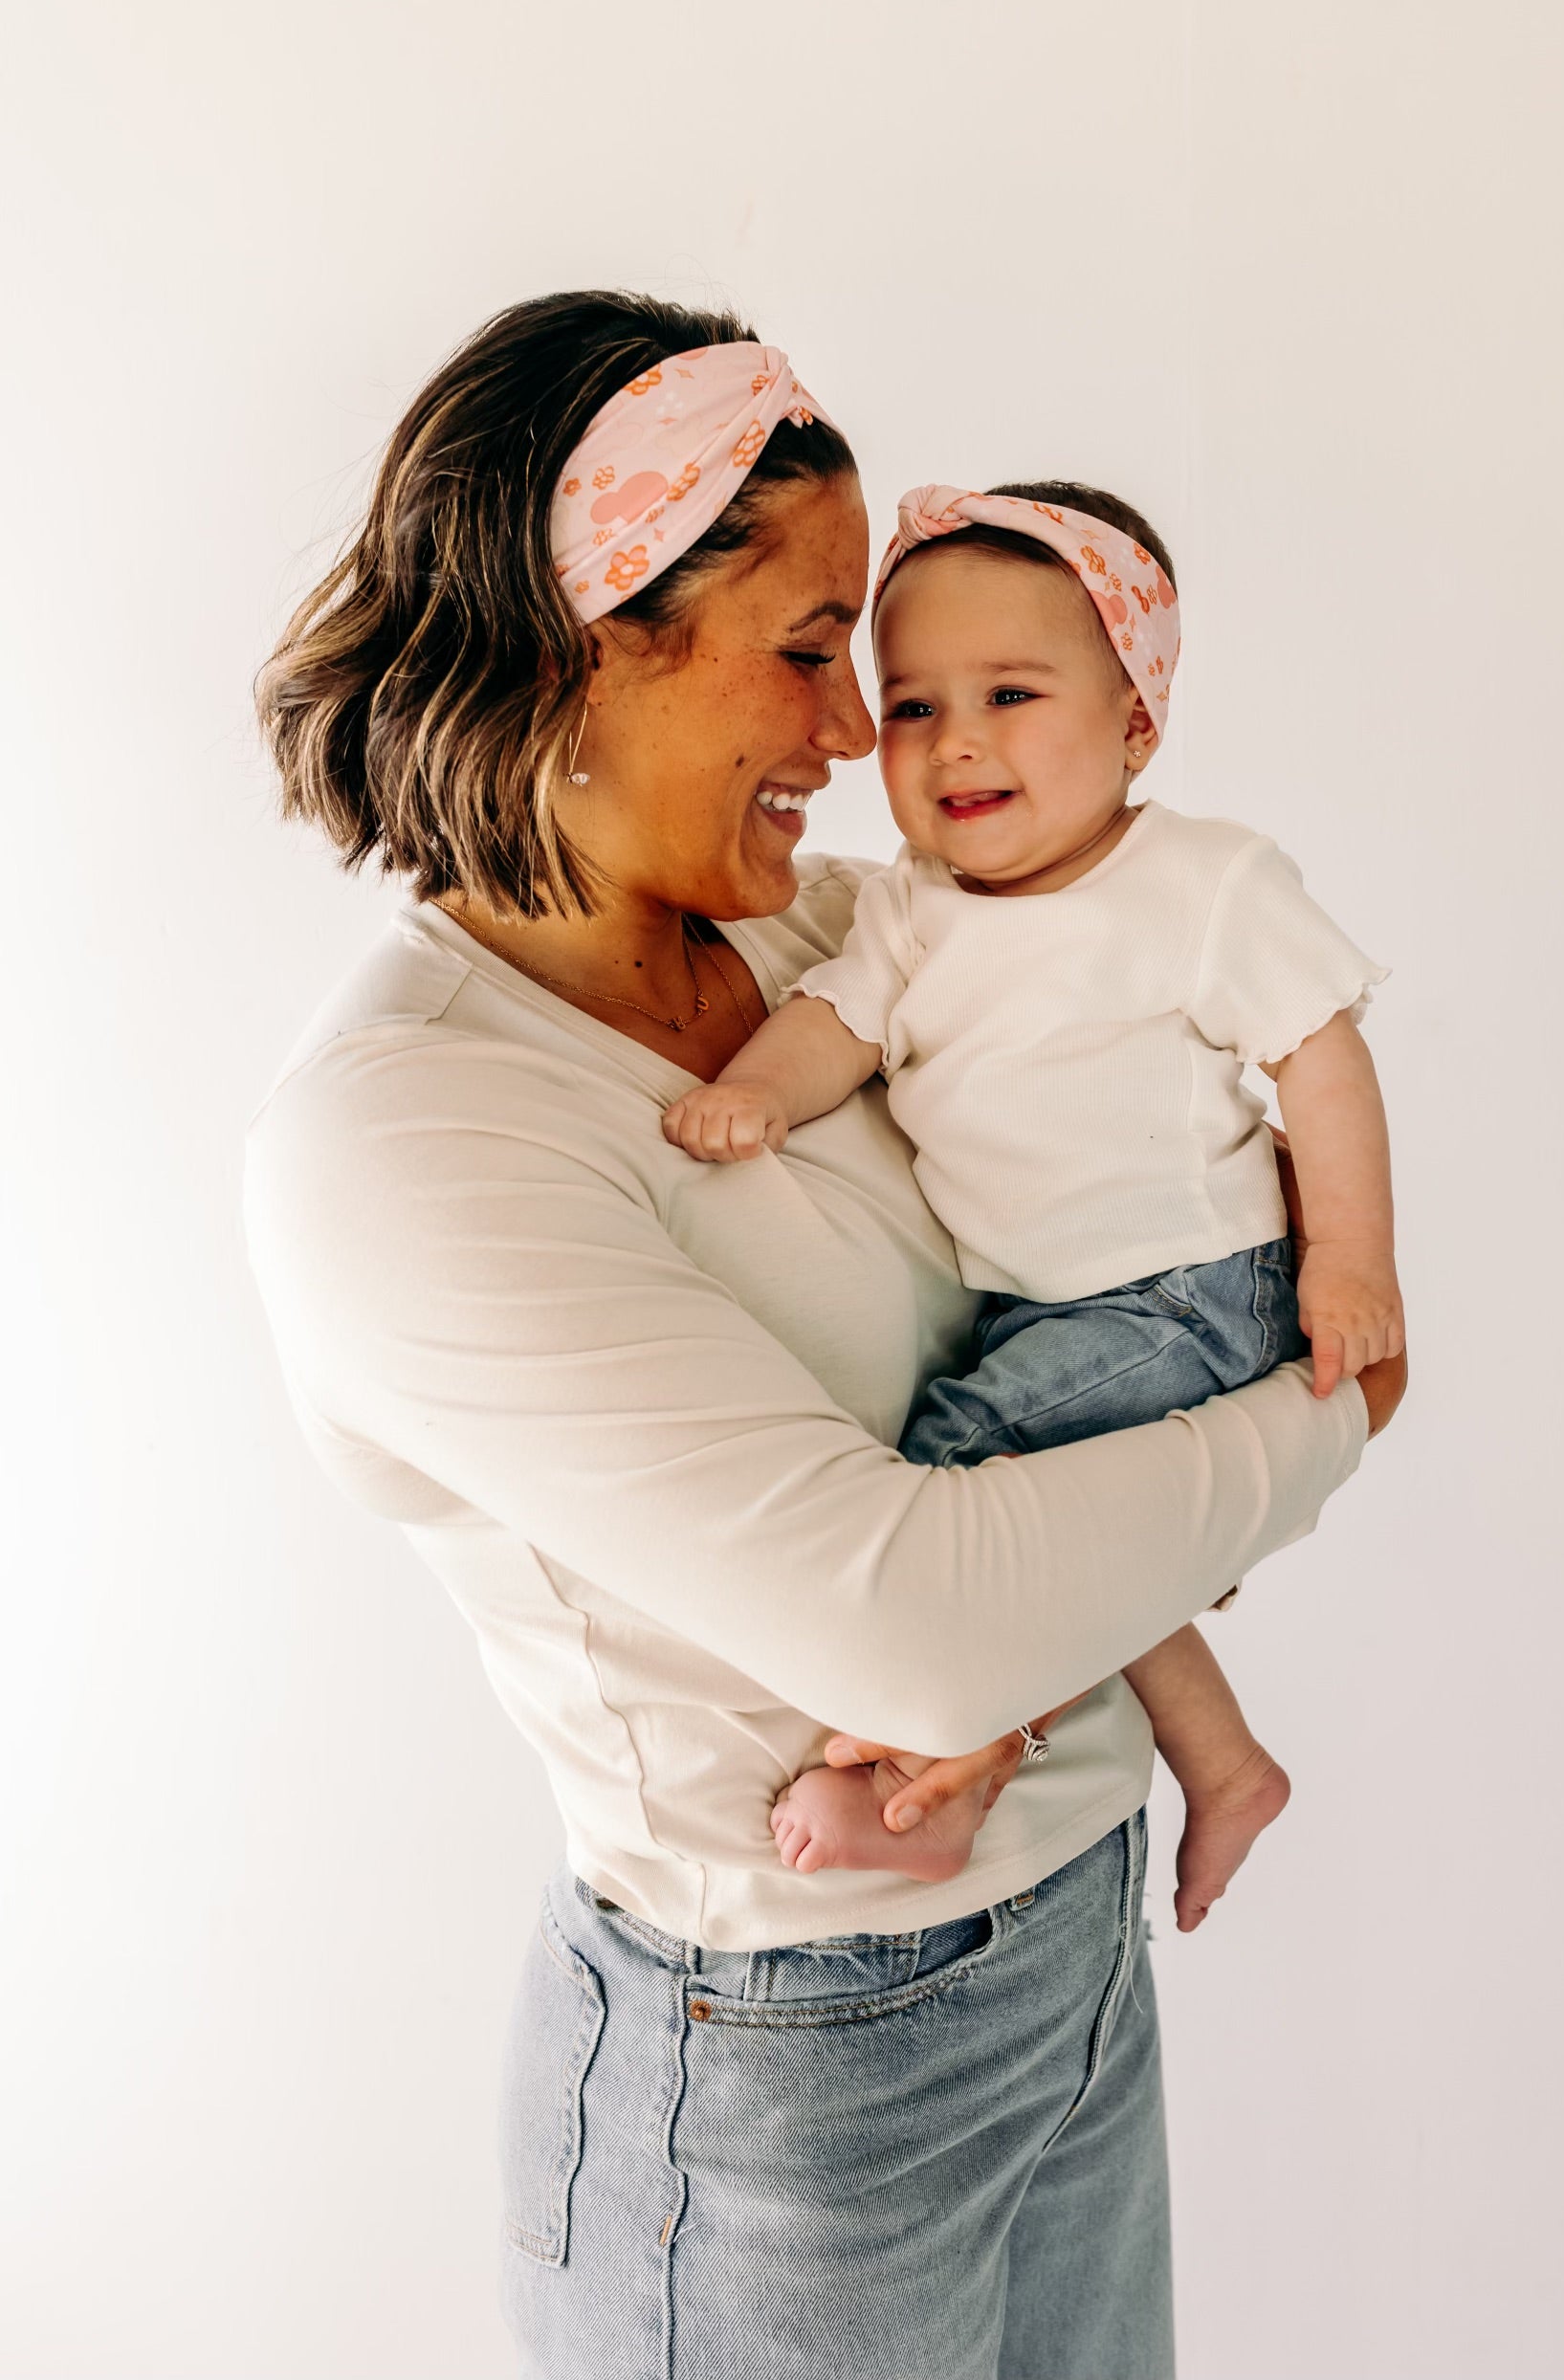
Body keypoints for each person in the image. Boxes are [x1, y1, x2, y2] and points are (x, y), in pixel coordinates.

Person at [246, 289, 1404, 2380]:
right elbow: (925, 1636)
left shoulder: (825, 934)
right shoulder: (412, 1136)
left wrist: (1225, 1386)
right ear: (580, 647)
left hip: (1074, 1946)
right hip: (786, 2084)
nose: (863, 734)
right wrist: (1333, 1415)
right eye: (805, 651)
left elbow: (1164, 1205)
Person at [665, 480, 1402, 1931]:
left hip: (1192, 1285)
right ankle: (1227, 1763)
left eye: (1010, 693)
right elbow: (838, 1022)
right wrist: (757, 1091)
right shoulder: (910, 904)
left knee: (963, 1475)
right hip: (1044, 1302)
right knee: (1081, 1549)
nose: (957, 740)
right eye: (914, 705)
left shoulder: (1201, 882)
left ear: (1136, 722)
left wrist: (1353, 1263)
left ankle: (949, 1767)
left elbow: (1321, 1059)